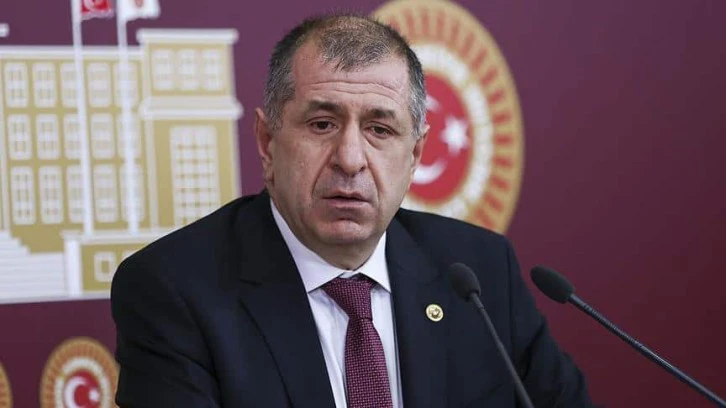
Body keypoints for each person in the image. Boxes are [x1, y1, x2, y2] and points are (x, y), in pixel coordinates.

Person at [111, 14, 594, 408]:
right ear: (266, 141)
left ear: (415, 155)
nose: (350, 159)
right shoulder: (175, 291)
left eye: (379, 130)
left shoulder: (479, 273)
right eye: (322, 124)